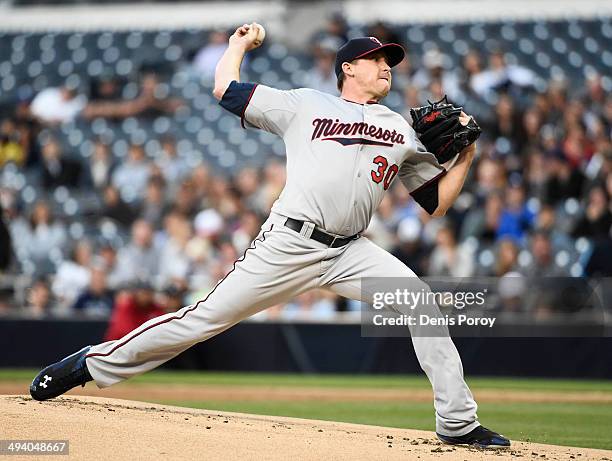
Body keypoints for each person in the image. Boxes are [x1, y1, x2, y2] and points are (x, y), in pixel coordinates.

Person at [30, 26, 509, 448]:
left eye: (391, 62)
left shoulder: (401, 130)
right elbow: (225, 88)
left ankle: (458, 423)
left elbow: (436, 204)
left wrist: (464, 158)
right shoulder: (305, 103)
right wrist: (238, 44)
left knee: (420, 302)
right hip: (289, 243)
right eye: (378, 59)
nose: (387, 67)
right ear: (349, 68)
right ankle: (89, 364)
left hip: (350, 252)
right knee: (200, 322)